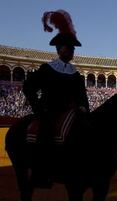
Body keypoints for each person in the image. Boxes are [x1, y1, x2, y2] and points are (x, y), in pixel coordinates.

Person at [22, 10, 89, 187]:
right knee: (45, 132)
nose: (72, 51)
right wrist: (39, 109)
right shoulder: (47, 69)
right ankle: (41, 173)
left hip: (72, 113)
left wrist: (83, 107)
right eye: (70, 47)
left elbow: (82, 96)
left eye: (73, 48)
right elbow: (28, 88)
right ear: (60, 49)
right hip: (50, 112)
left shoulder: (75, 74)